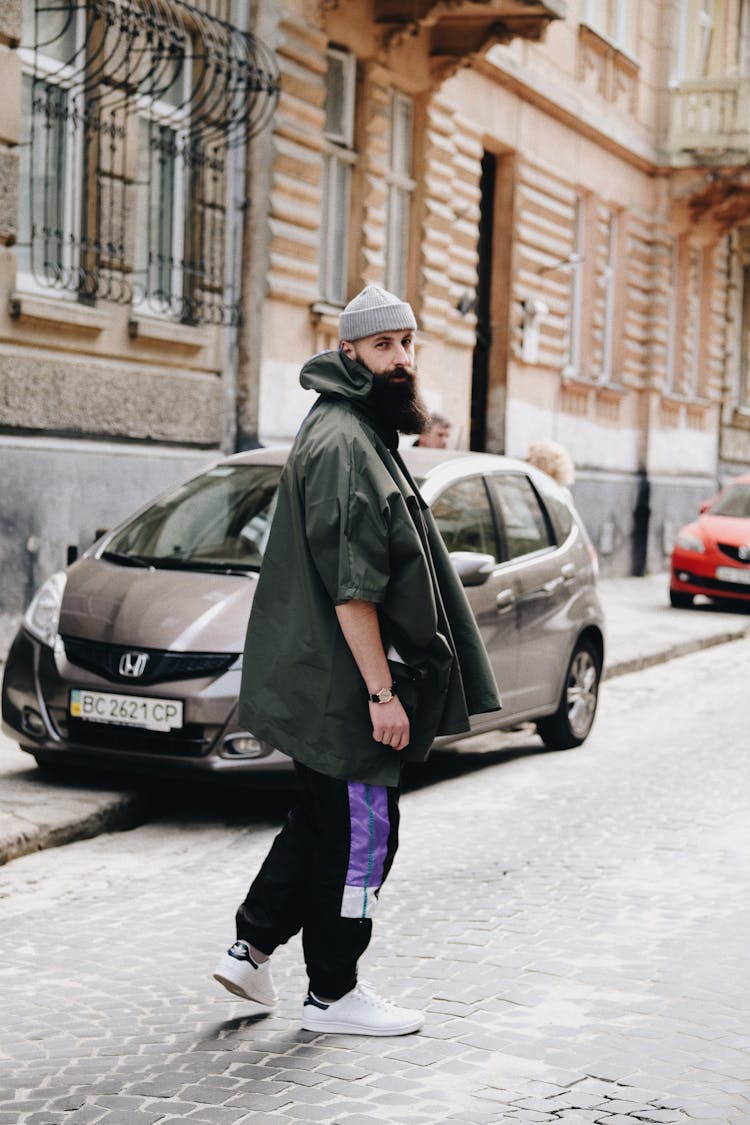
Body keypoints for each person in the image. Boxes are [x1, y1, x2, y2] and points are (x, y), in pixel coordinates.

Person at [213, 284, 501, 1036]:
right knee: (365, 837)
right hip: (347, 690)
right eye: (383, 345)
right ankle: (332, 993)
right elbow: (353, 590)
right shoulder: (344, 440)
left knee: (319, 821)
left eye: (407, 343)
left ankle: (252, 945)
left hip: (326, 682)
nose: (400, 358)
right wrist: (382, 692)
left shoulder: (351, 426)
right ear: (349, 351)